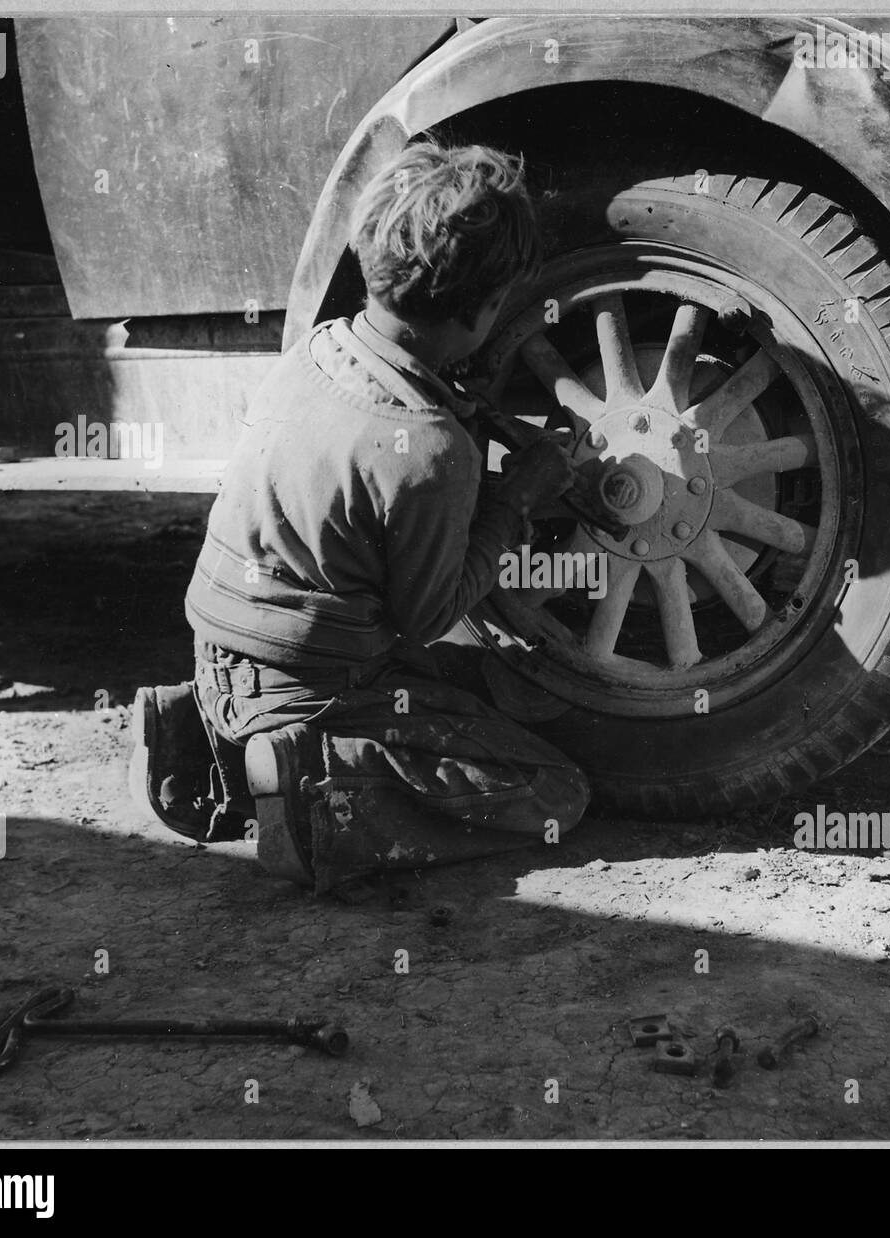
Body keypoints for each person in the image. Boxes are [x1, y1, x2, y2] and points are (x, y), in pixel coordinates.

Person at [130, 141, 590, 890]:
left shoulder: (320, 350)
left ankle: (203, 728)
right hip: (307, 683)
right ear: (482, 310)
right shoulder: (433, 450)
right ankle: (310, 788)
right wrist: (516, 500)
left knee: (495, 690)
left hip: (221, 656)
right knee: (552, 791)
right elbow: (427, 616)